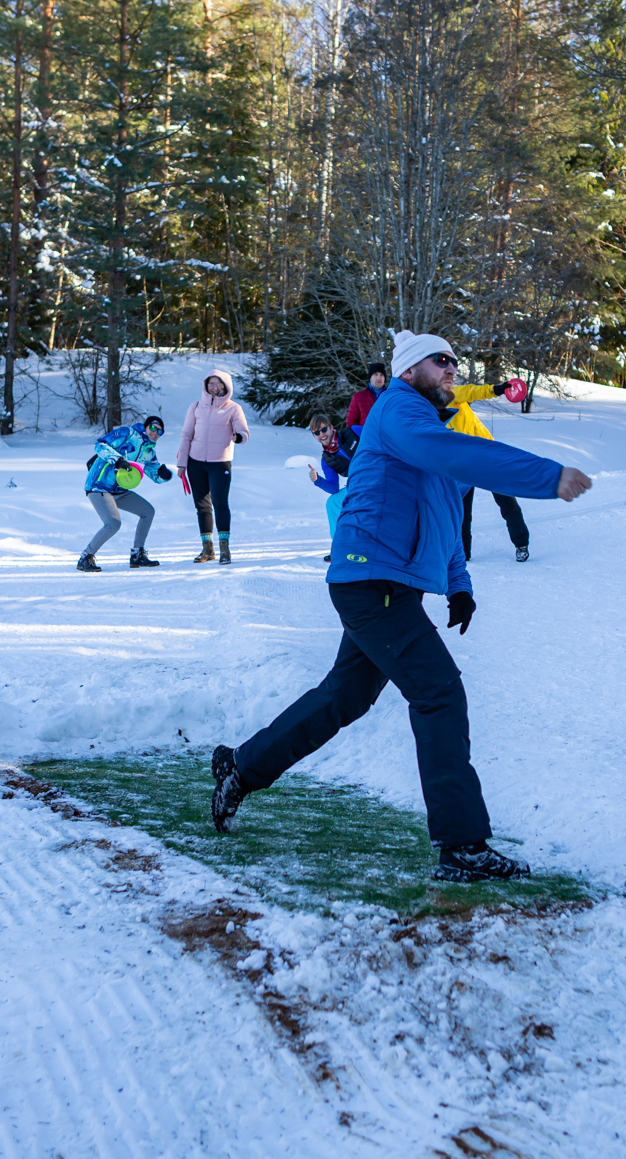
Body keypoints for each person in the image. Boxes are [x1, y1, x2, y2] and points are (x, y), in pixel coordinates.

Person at [209, 329, 593, 883]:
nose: (453, 369)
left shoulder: (427, 426)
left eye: (456, 361)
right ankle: (462, 845)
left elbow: (445, 517)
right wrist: (547, 477)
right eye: (442, 360)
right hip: (371, 580)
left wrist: (459, 585)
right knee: (438, 692)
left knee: (343, 697)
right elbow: (456, 454)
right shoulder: (399, 410)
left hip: (385, 584)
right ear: (409, 370)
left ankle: (240, 768)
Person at [445, 380, 532, 562]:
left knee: (506, 501)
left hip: (486, 454)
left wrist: (496, 389)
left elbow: (472, 391)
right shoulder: (423, 416)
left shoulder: (449, 395)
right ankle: (463, 554)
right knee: (461, 510)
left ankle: (521, 544)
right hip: (462, 464)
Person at [77, 416, 173, 572]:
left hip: (119, 490)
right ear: (146, 426)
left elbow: (155, 474)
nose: (155, 433)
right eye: (153, 428)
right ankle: (85, 557)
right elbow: (100, 445)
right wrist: (117, 460)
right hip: (99, 485)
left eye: (160, 431)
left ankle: (137, 554)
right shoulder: (127, 433)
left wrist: (164, 475)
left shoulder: (149, 451)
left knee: (148, 511)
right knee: (113, 524)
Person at [176, 370, 250, 565]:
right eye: (211, 383)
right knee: (202, 506)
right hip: (195, 463)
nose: (215, 387)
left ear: (225, 386)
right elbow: (186, 435)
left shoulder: (233, 408)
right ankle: (207, 549)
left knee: (220, 503)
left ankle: (224, 549)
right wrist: (182, 463)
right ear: (205, 385)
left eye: (219, 383)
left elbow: (244, 432)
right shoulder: (195, 407)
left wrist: (238, 437)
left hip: (220, 463)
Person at [306, 413, 358, 561]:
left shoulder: (353, 432)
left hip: (378, 475)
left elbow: (376, 438)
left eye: (323, 430)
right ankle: (340, 548)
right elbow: (334, 487)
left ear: (331, 427)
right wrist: (318, 480)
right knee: (333, 502)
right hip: (357, 486)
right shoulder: (327, 459)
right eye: (316, 433)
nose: (321, 435)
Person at [344, 362, 387, 435]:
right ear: (370, 377)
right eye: (375, 374)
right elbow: (351, 422)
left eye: (381, 375)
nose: (379, 378)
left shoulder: (391, 397)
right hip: (366, 438)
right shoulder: (358, 397)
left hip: (387, 438)